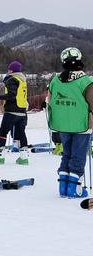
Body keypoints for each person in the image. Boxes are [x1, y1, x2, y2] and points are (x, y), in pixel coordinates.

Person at [47, 47, 93, 198]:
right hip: (82, 125)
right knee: (78, 155)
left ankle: (63, 187)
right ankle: (75, 189)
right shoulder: (85, 81)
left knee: (67, 154)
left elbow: (49, 100)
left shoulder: (55, 80)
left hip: (62, 124)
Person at [0, 61, 29, 165]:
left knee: (3, 132)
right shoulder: (22, 80)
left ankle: (0, 156)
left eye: (9, 69)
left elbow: (11, 95)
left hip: (12, 111)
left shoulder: (12, 79)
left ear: (12, 70)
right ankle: (24, 158)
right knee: (21, 133)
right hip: (22, 111)